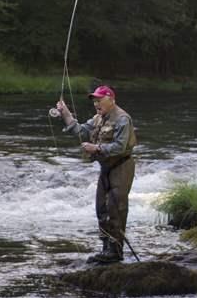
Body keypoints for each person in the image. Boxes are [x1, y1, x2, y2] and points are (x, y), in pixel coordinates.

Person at [56, 85, 137, 263]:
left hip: (122, 166)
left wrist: (96, 148)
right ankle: (106, 249)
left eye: (99, 100)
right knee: (101, 208)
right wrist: (65, 113)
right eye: (94, 100)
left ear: (111, 99)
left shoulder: (123, 119)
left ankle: (115, 253)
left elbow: (120, 147)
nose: (96, 104)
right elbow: (80, 130)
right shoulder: (98, 118)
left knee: (116, 209)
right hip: (106, 168)